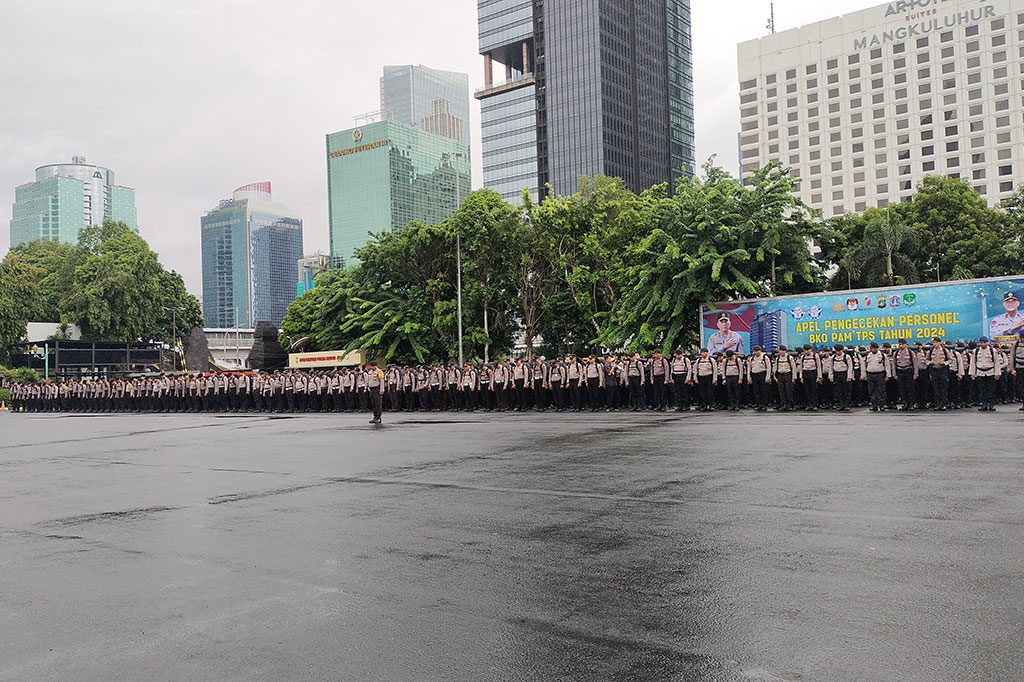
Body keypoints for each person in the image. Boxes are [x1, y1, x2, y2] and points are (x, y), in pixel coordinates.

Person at [970, 336, 1001, 411]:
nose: (982, 344)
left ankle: (991, 404)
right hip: (980, 372)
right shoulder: (976, 351)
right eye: (981, 343)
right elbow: (973, 363)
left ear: (987, 343)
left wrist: (997, 373)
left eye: (984, 343)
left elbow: (997, 362)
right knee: (982, 390)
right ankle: (984, 404)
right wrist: (972, 373)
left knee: (991, 389)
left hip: (990, 372)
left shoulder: (992, 350)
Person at [862, 342, 892, 412]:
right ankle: (874, 405)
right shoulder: (867, 355)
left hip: (880, 374)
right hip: (870, 374)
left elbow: (887, 365)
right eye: (871, 348)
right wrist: (864, 375)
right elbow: (864, 366)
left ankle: (881, 405)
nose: (872, 350)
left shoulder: (882, 355)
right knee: (871, 390)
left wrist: (888, 375)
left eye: (874, 348)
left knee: (881, 390)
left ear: (877, 348)